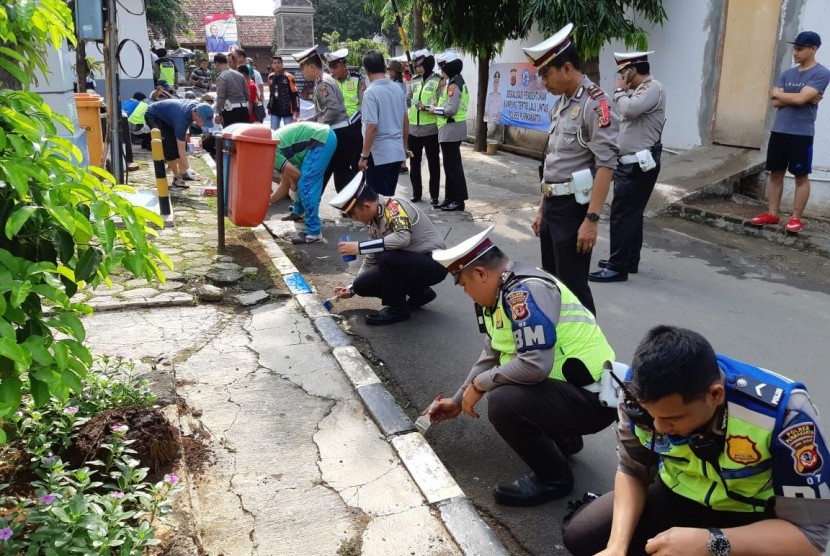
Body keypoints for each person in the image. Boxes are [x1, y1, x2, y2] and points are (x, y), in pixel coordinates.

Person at [562, 325, 830, 556]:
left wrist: (713, 542)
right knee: (582, 537)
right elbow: (633, 471)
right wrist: (617, 547)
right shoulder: (636, 392)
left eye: (673, 419)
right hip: (678, 494)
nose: (659, 427)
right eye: (653, 416)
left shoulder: (786, 416)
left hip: (754, 514)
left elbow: (810, 537)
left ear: (715, 395)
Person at [426, 226, 617, 506]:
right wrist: (457, 400)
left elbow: (535, 365)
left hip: (595, 400)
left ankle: (554, 478)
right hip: (576, 392)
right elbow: (492, 353)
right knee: (503, 381)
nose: (466, 293)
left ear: (480, 274)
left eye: (464, 285)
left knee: (504, 401)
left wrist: (481, 385)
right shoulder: (503, 292)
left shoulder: (523, 292)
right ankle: (565, 439)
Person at [523, 23, 619, 316]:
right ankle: (563, 352)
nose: (544, 83)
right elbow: (555, 161)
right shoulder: (562, 103)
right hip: (553, 205)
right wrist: (542, 208)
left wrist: (592, 219)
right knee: (553, 286)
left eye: (546, 74)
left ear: (566, 68)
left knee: (574, 290)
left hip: (575, 210)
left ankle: (592, 358)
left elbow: (606, 164)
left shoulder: (596, 104)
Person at [589, 51, 666, 283]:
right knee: (631, 215)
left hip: (638, 166)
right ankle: (628, 259)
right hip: (631, 164)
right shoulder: (639, 92)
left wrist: (620, 90)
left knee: (622, 215)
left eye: (624, 72)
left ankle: (618, 266)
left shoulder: (653, 88)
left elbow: (628, 110)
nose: (621, 77)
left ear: (633, 70)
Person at [330, 173, 447, 325]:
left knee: (388, 258)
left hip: (434, 264)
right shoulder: (375, 220)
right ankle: (420, 293)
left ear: (366, 206)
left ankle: (397, 309)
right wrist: (351, 288)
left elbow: (402, 238)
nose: (355, 219)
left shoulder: (394, 206)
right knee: (361, 285)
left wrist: (359, 247)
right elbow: (372, 257)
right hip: (411, 265)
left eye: (354, 215)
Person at [750, 31, 830, 234]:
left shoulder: (821, 73)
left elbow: (797, 100)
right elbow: (776, 101)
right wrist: (795, 96)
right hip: (780, 130)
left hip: (801, 133)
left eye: (800, 49)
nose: (795, 52)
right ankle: (773, 214)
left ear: (814, 49)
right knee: (775, 173)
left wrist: (784, 94)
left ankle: (796, 218)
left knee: (801, 176)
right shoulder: (787, 73)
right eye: (795, 48)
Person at [293, 45, 355, 193]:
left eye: (303, 68)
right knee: (338, 171)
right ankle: (346, 206)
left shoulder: (323, 83)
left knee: (332, 171)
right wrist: (309, 122)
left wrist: (318, 127)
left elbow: (333, 109)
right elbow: (324, 111)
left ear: (312, 67)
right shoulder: (323, 80)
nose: (302, 71)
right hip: (339, 130)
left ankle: (310, 205)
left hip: (338, 132)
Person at [273, 121, 337, 244]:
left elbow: (295, 176)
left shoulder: (273, 153)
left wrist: (293, 186)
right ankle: (298, 212)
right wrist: (268, 202)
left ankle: (314, 232)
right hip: (321, 136)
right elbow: (286, 182)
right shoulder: (272, 147)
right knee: (302, 183)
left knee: (306, 184)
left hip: (321, 140)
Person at [358, 50, 408, 197]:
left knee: (376, 200)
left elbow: (371, 127)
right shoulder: (398, 89)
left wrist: (364, 156)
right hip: (396, 151)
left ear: (366, 70)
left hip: (378, 153)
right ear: (384, 67)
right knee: (388, 198)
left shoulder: (371, 93)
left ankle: (381, 221)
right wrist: (404, 147)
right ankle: (387, 220)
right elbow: (406, 121)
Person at [425, 52, 469, 212]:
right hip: (449, 129)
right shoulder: (453, 82)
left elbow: (451, 110)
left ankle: (458, 200)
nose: (441, 69)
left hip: (451, 128)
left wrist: (433, 110)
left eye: (443, 66)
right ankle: (449, 198)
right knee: (450, 167)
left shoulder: (454, 85)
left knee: (454, 167)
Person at [144, 99, 213, 188]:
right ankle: (177, 177)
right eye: (203, 121)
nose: (203, 125)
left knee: (182, 143)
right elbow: (180, 148)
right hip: (154, 116)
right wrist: (189, 168)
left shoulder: (198, 108)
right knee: (169, 145)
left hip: (170, 116)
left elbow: (186, 125)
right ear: (196, 115)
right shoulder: (182, 119)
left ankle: (183, 172)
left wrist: (186, 132)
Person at [325, 48, 365, 187]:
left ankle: (357, 199)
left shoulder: (357, 79)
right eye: (331, 67)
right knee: (339, 166)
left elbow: (363, 104)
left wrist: (350, 121)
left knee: (355, 165)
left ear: (344, 64)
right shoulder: (329, 82)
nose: (333, 71)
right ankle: (343, 201)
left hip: (354, 129)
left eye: (335, 67)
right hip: (336, 130)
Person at [407, 49, 442, 205]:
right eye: (415, 64)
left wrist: (426, 107)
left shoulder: (438, 80)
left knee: (433, 163)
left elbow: (442, 103)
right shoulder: (414, 80)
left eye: (419, 64)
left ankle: (434, 195)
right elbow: (408, 99)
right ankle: (416, 193)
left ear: (427, 64)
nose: (416, 67)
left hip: (431, 128)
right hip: (414, 129)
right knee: (414, 163)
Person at [212, 52, 249, 127]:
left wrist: (218, 113)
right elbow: (247, 94)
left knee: (230, 136)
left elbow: (221, 96)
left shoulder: (222, 77)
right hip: (244, 110)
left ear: (217, 64)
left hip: (231, 111)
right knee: (242, 136)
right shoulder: (240, 75)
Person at [387, 58, 410, 174]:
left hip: (399, 114)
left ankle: (403, 164)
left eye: (391, 71)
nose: (389, 73)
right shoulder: (396, 83)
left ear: (396, 71)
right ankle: (402, 163)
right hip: (398, 113)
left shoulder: (399, 85)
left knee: (400, 139)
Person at [267, 55, 300, 130]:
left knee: (289, 132)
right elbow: (271, 93)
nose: (276, 65)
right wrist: (269, 106)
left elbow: (295, 94)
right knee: (274, 131)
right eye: (274, 63)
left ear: (282, 64)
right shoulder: (270, 77)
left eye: (278, 63)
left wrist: (296, 109)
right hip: (274, 108)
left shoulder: (289, 77)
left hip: (287, 108)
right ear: (272, 65)